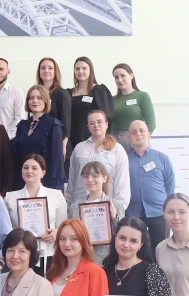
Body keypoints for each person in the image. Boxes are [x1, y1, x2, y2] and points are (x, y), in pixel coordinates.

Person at [5, 155, 68, 275]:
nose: (29, 171)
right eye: (26, 168)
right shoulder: (10, 197)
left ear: (43, 173)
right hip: (20, 254)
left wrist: (57, 233)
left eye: (34, 168)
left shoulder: (56, 195)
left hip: (48, 252)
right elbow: (6, 229)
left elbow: (64, 225)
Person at [125, 121, 175, 249]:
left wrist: (166, 206)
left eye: (141, 130)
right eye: (134, 132)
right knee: (135, 251)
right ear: (129, 137)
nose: (138, 134)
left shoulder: (162, 158)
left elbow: (170, 184)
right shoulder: (124, 160)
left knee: (161, 251)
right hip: (133, 213)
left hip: (158, 213)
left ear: (149, 134)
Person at [67, 109, 130, 208]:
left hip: (106, 206)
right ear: (88, 127)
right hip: (80, 205)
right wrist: (69, 204)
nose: (96, 125)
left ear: (106, 124)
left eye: (99, 122)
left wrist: (119, 208)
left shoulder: (117, 149)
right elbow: (72, 179)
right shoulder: (79, 148)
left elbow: (122, 181)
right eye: (92, 123)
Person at [68, 160, 126, 265]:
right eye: (86, 176)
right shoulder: (75, 207)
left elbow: (122, 235)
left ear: (104, 178)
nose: (90, 180)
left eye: (95, 176)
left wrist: (114, 218)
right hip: (81, 258)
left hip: (107, 259)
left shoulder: (116, 205)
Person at [12, 85, 66, 191]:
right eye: (31, 98)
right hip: (23, 182)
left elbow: (57, 159)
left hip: (46, 183)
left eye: (39, 98)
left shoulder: (53, 125)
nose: (35, 101)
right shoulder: (22, 125)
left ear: (46, 101)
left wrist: (55, 187)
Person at [68, 57, 114, 156]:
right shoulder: (68, 93)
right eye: (77, 69)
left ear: (90, 70)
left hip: (93, 138)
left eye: (84, 68)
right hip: (73, 138)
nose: (80, 71)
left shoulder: (99, 91)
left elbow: (107, 116)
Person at [111, 63, 156, 148]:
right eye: (116, 77)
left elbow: (151, 122)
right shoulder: (112, 99)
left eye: (123, 75)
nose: (120, 80)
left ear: (131, 76)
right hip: (115, 140)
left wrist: (142, 139)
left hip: (136, 139)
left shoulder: (142, 96)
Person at [0, 58, 26, 140]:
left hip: (10, 140)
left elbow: (20, 119)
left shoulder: (17, 93)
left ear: (8, 71)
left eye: (1, 69)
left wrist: (6, 136)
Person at [36, 58, 72, 153]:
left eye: (50, 68)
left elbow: (66, 120)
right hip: (39, 142)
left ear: (55, 72)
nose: (46, 70)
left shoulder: (61, 93)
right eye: (43, 68)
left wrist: (64, 144)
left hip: (57, 143)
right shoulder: (35, 93)